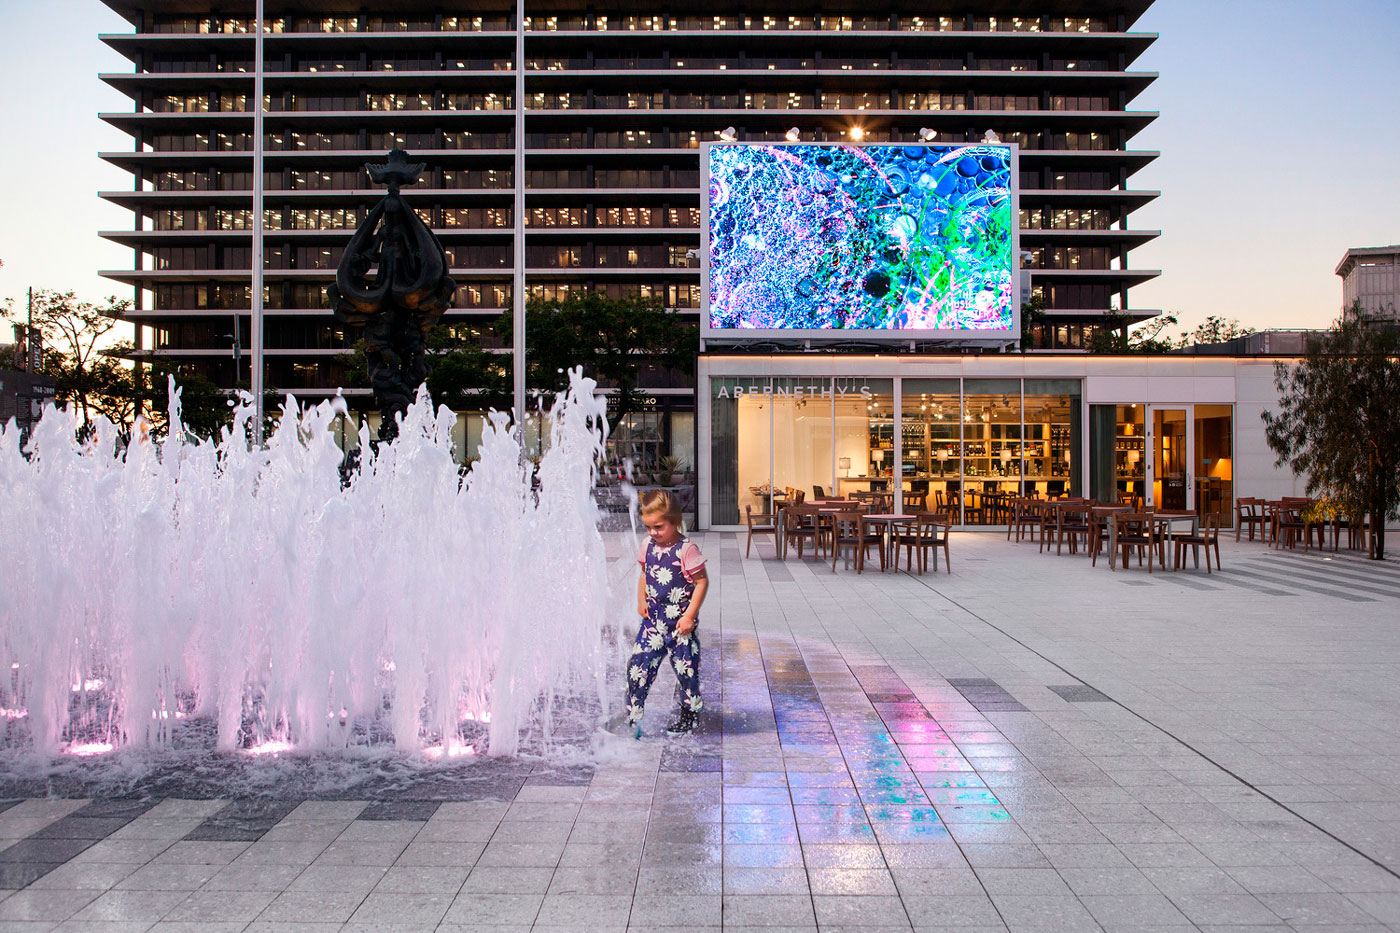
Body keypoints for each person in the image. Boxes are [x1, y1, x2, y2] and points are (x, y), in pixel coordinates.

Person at [625, 489, 708, 736]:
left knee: (687, 670)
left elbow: (702, 582)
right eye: (648, 527)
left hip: (680, 627)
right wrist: (641, 599)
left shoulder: (686, 549)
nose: (653, 532)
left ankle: (690, 713)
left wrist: (690, 616)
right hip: (652, 623)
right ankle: (634, 712)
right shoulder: (647, 545)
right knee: (638, 666)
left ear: (675, 521)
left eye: (659, 527)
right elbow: (644, 573)